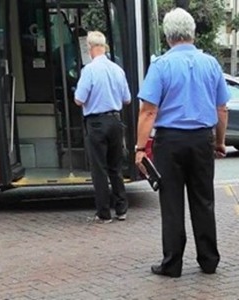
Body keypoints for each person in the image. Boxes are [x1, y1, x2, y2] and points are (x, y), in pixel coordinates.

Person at [136, 8, 229, 278]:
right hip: (201, 139)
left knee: (172, 201)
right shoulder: (211, 63)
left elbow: (148, 110)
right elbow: (221, 108)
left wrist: (140, 148)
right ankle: (209, 259)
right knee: (203, 200)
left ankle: (172, 263)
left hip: (170, 142)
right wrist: (219, 142)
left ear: (167, 36)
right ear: (193, 33)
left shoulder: (161, 65)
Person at [74, 31, 132, 224]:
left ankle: (104, 213)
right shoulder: (117, 69)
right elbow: (127, 99)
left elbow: (79, 99)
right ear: (104, 47)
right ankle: (122, 209)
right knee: (116, 167)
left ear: (90, 48)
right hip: (115, 121)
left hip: (96, 122)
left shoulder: (89, 70)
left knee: (99, 169)